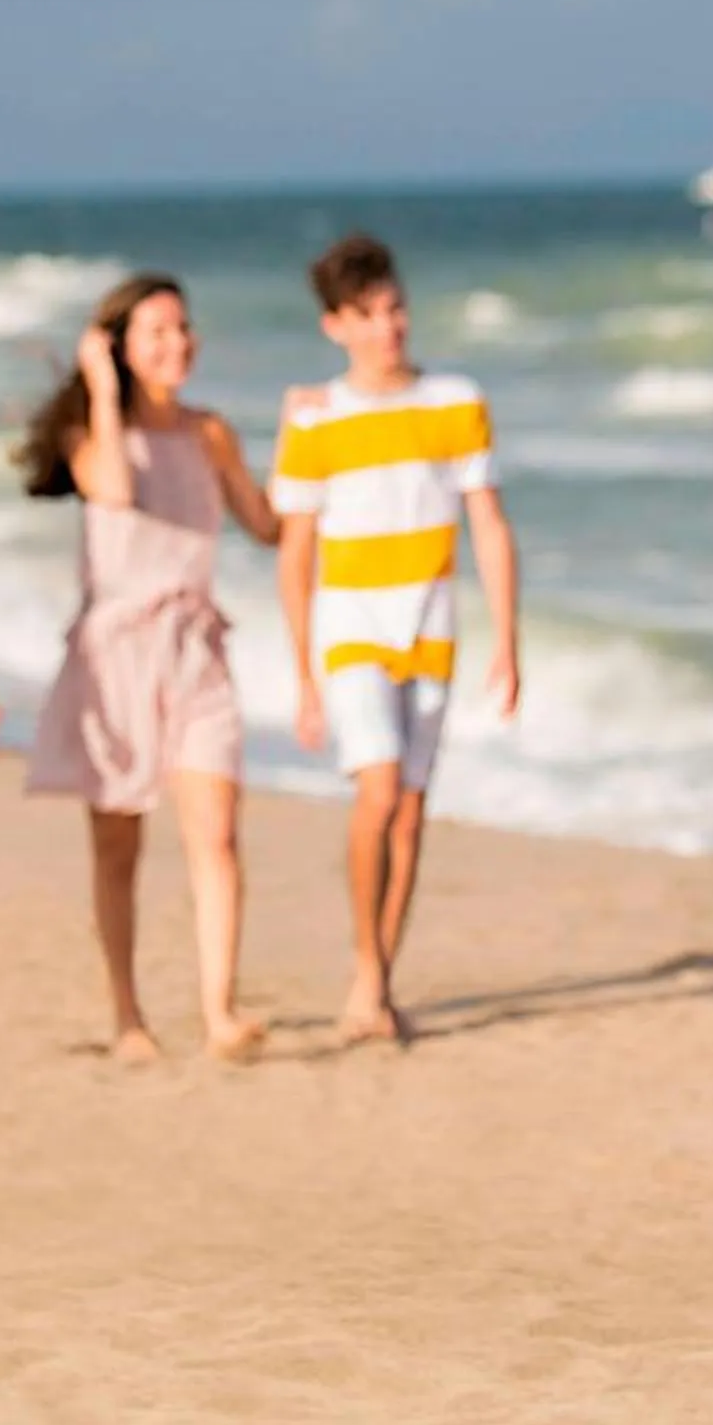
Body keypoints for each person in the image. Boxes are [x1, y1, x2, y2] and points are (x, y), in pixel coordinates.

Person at [19, 274, 283, 1064]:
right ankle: (128, 1016)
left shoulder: (212, 433)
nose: (178, 345)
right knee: (118, 848)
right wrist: (102, 390)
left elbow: (268, 526)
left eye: (183, 328)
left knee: (218, 835)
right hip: (116, 659)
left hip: (195, 647)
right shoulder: (90, 435)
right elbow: (116, 487)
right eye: (156, 333)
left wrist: (316, 453)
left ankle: (219, 1012)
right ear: (120, 348)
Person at [272, 234, 521, 1045]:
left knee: (410, 815)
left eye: (396, 308)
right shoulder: (313, 419)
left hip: (433, 628)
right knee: (376, 794)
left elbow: (488, 524)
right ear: (334, 325)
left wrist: (507, 642)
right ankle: (368, 976)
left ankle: (377, 979)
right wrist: (303, 675)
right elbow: (295, 551)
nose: (390, 327)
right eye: (369, 315)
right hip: (351, 630)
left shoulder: (454, 399)